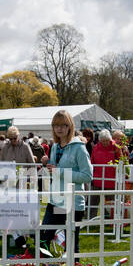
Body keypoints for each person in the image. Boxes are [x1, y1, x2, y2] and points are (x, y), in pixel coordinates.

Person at [38, 109, 92, 255]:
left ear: (70, 127)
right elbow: (56, 171)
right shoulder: (54, 147)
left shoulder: (79, 148)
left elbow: (87, 176)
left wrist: (59, 172)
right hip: (56, 200)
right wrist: (48, 164)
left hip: (72, 203)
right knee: (44, 238)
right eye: (56, 125)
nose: (60, 128)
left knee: (71, 244)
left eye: (63, 125)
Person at [89, 129, 120, 218]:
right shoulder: (96, 147)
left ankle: (109, 219)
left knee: (110, 202)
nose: (105, 143)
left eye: (107, 140)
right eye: (103, 141)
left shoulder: (115, 147)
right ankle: (91, 219)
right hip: (97, 179)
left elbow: (121, 160)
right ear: (100, 140)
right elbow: (92, 161)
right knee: (93, 202)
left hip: (110, 180)